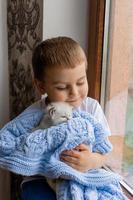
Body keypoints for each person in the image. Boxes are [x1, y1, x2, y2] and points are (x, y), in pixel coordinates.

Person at [1, 37, 111, 199]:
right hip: (40, 179)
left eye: (81, 82)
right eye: (62, 87)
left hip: (84, 175)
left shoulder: (91, 108)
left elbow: (105, 151)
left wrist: (92, 160)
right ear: (41, 86)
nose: (74, 93)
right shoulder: (35, 113)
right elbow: (15, 142)